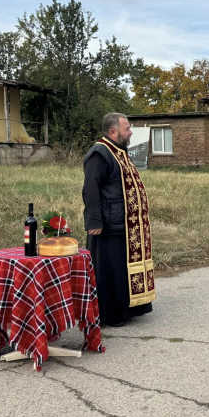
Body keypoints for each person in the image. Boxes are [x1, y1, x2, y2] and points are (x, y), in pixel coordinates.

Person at [83, 113, 154, 327]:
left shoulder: (118, 151)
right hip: (107, 225)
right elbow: (91, 189)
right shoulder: (100, 153)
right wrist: (93, 221)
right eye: (127, 129)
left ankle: (130, 309)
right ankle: (111, 315)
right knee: (109, 270)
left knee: (122, 268)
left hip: (125, 224)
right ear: (113, 132)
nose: (131, 132)